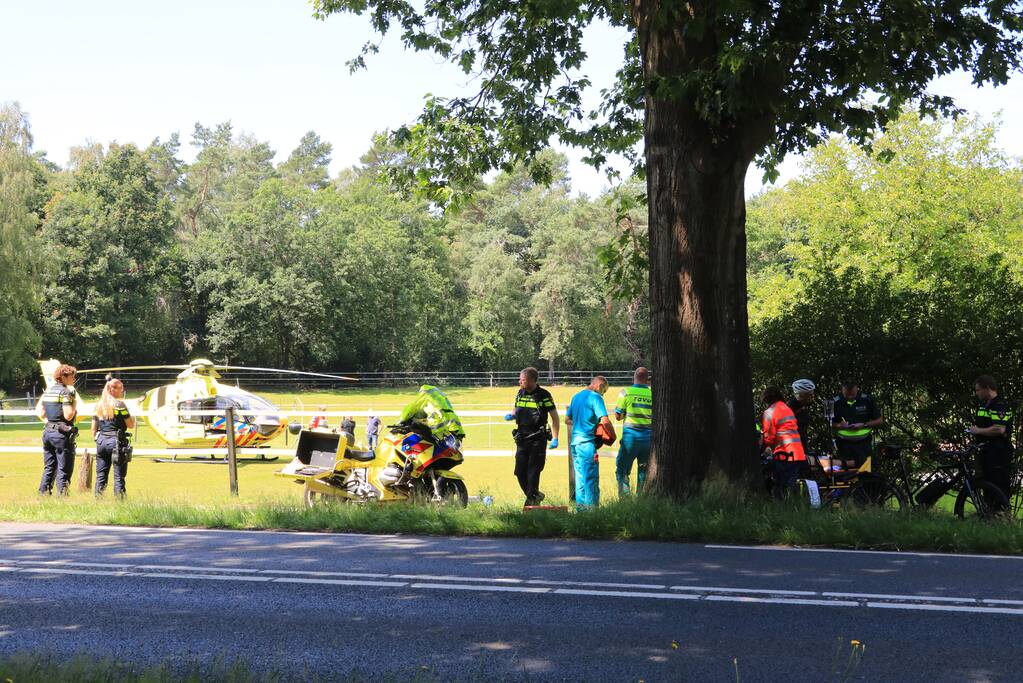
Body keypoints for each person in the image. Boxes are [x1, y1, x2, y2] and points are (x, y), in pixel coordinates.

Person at [504, 366, 560, 506]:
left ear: (532, 380)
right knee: (519, 472)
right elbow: (517, 408)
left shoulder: (544, 395)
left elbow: (555, 417)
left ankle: (530, 505)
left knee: (533, 472)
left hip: (537, 439)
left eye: (522, 380)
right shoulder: (520, 393)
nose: (519, 382)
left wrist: (555, 438)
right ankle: (535, 496)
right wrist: (512, 415)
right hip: (522, 438)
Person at [565, 376, 616, 508]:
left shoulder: (576, 397)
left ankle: (581, 511)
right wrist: (613, 436)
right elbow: (605, 421)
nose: (603, 394)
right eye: (604, 391)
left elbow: (567, 420)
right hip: (587, 444)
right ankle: (593, 511)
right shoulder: (596, 397)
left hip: (575, 444)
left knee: (580, 479)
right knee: (591, 478)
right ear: (600, 386)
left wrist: (582, 422)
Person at [968, 375, 1014, 510]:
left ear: (987, 388)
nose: (976, 393)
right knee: (987, 484)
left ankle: (1001, 514)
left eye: (978, 390)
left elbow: (999, 429)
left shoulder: (999, 405)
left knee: (998, 484)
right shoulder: (984, 405)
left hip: (999, 451)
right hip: (986, 451)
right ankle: (989, 513)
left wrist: (978, 431)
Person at [35, 364, 79, 495]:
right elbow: (68, 415)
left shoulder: (48, 391)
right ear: (63, 377)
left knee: (49, 466)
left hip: (48, 433)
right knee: (64, 467)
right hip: (61, 435)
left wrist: (51, 423)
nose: (74, 379)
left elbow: (41, 413)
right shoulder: (65, 392)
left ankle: (43, 493)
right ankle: (62, 496)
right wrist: (74, 404)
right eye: (72, 376)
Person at [91, 378, 135, 498]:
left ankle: (98, 499)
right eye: (120, 388)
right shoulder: (120, 405)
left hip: (101, 441)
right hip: (116, 442)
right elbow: (131, 425)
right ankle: (120, 501)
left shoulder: (98, 405)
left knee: (101, 475)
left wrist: (98, 439)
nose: (122, 390)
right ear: (112, 389)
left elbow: (93, 429)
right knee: (119, 475)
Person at [761, 386, 806, 497]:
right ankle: (793, 503)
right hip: (798, 453)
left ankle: (783, 504)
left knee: (781, 485)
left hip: (784, 454)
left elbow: (769, 438)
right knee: (791, 484)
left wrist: (762, 449)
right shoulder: (787, 408)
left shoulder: (769, 412)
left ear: (767, 399)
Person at [397, 385, 466, 456]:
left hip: (439, 429)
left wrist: (399, 423)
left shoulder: (424, 398)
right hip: (456, 430)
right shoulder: (442, 401)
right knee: (451, 455)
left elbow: (409, 410)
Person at [614, 367, 652, 496]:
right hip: (648, 439)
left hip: (630, 438)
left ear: (633, 378)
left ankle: (625, 500)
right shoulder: (653, 394)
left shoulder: (626, 392)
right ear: (647, 380)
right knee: (643, 472)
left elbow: (618, 416)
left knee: (622, 471)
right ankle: (640, 499)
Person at [830, 379, 882, 468]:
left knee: (865, 470)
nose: (850, 397)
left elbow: (879, 420)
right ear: (842, 390)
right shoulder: (834, 402)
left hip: (864, 444)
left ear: (857, 389)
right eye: (847, 395)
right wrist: (839, 425)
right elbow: (828, 423)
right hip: (844, 445)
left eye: (852, 394)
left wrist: (864, 425)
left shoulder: (867, 399)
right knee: (846, 471)